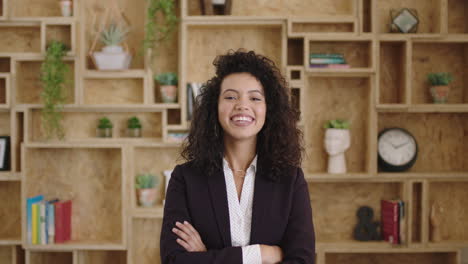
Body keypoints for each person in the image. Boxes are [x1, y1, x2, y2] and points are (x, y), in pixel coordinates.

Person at [160, 50, 315, 264]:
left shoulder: (291, 181)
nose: (242, 105)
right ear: (214, 107)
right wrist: (260, 254)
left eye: (254, 98)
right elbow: (173, 260)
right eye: (231, 96)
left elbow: (302, 260)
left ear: (268, 109)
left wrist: (206, 257)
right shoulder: (185, 179)